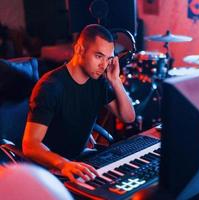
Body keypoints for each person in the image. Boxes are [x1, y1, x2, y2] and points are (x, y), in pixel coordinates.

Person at [22, 24, 135, 182]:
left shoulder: (98, 82)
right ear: (79, 50)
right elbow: (30, 145)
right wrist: (64, 164)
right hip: (51, 169)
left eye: (108, 59)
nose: (103, 65)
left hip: (80, 160)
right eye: (98, 56)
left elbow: (129, 117)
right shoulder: (50, 87)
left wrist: (115, 81)